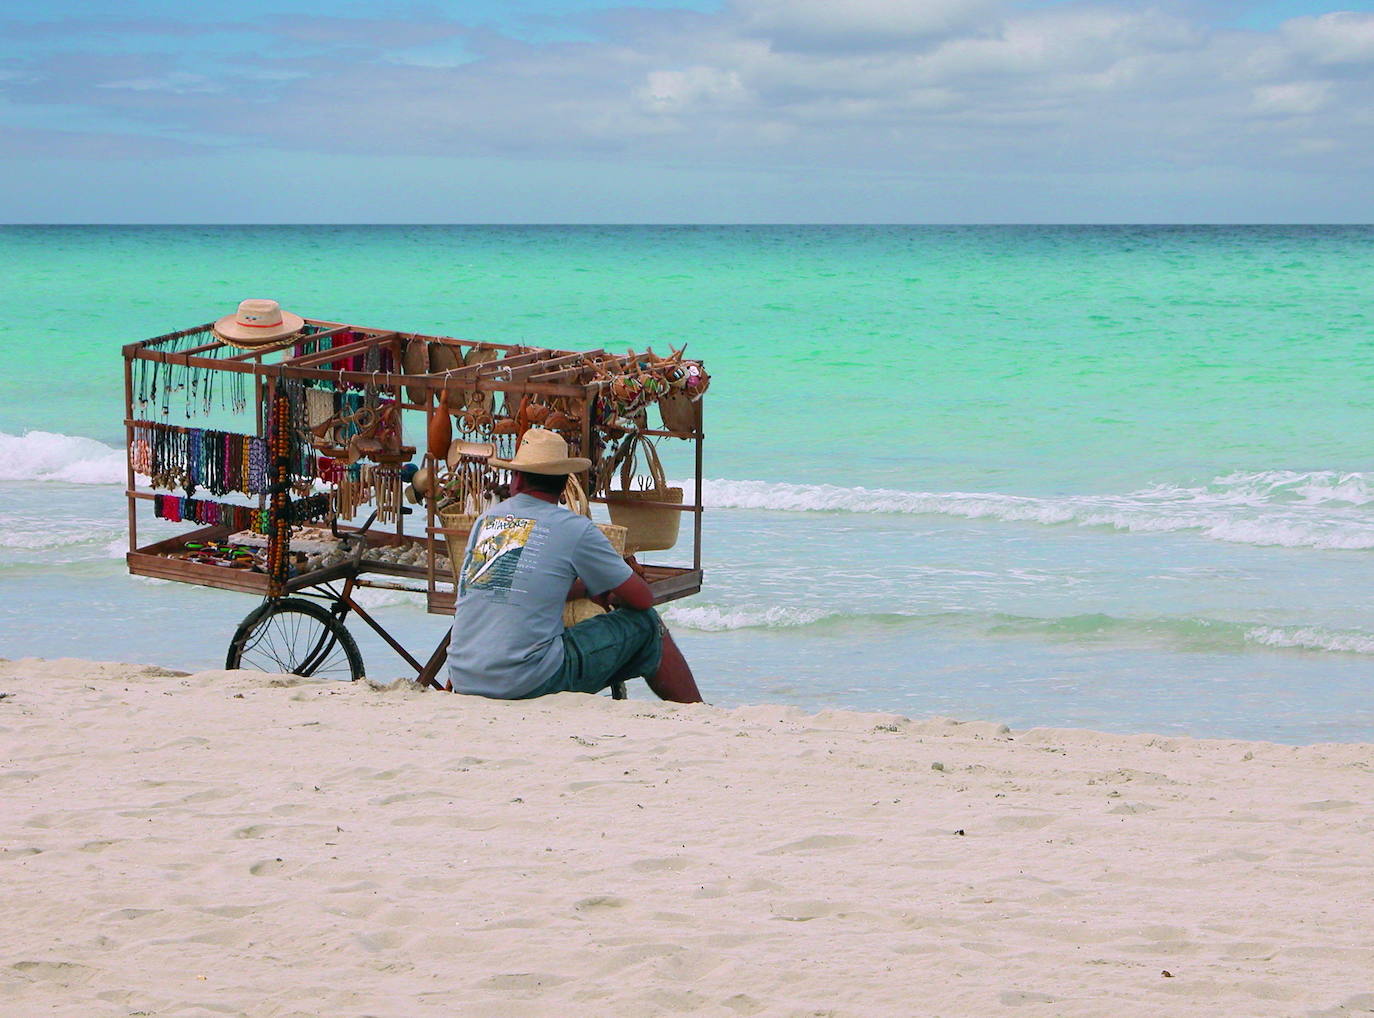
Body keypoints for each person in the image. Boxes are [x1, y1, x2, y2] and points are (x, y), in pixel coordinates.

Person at [447, 428, 702, 703]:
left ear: (517, 480)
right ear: (562, 485)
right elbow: (642, 598)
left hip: (466, 676)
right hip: (525, 681)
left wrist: (583, 590)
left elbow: (513, 587)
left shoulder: (487, 521)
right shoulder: (573, 528)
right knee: (648, 625)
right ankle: (696, 711)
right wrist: (607, 592)